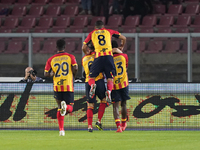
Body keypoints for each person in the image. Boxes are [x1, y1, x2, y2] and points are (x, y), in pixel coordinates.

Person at [82, 20, 126, 106]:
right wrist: (121, 46)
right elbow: (124, 38)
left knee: (91, 77)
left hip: (98, 57)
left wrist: (86, 53)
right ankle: (109, 91)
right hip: (109, 57)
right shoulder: (109, 31)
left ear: (95, 27)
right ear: (103, 27)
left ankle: (92, 86)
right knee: (110, 78)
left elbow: (83, 46)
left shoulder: (92, 33)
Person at [82, 43, 123, 132]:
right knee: (104, 100)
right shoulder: (99, 58)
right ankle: (98, 121)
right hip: (99, 80)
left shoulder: (84, 58)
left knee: (90, 105)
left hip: (88, 81)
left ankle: (89, 126)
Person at [44, 39, 78, 136]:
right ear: (65, 47)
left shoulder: (51, 59)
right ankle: (66, 106)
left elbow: (46, 74)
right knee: (70, 107)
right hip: (68, 84)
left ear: (56, 47)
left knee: (59, 108)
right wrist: (73, 76)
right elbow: (75, 68)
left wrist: (52, 73)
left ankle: (61, 130)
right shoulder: (70, 56)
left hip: (57, 86)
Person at [111, 40, 130, 133]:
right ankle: (124, 124)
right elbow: (126, 68)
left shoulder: (108, 59)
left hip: (114, 84)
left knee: (115, 106)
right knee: (124, 104)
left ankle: (118, 127)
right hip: (123, 83)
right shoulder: (124, 56)